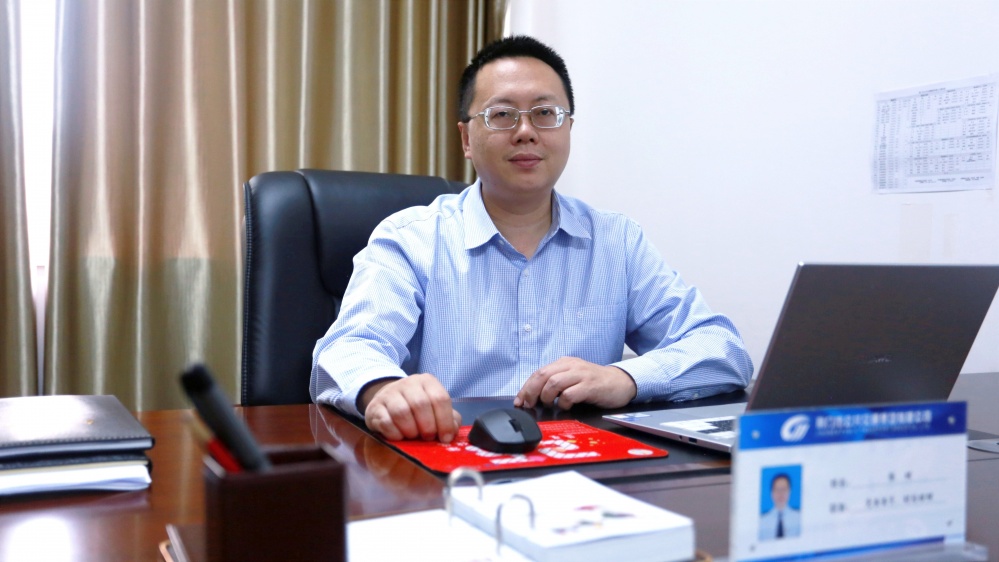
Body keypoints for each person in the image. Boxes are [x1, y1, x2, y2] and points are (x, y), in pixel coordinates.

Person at [310, 35, 753, 443]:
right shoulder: (411, 240)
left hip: (581, 467)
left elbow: (722, 348)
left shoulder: (616, 241)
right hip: (451, 462)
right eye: (502, 115)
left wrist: (626, 378)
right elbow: (348, 348)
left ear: (567, 128)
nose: (526, 131)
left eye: (545, 113)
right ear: (466, 139)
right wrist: (383, 389)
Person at [759, 473, 802, 540]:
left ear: (789, 491)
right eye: (777, 489)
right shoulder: (762, 520)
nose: (781, 493)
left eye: (784, 489)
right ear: (772, 493)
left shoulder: (799, 517)